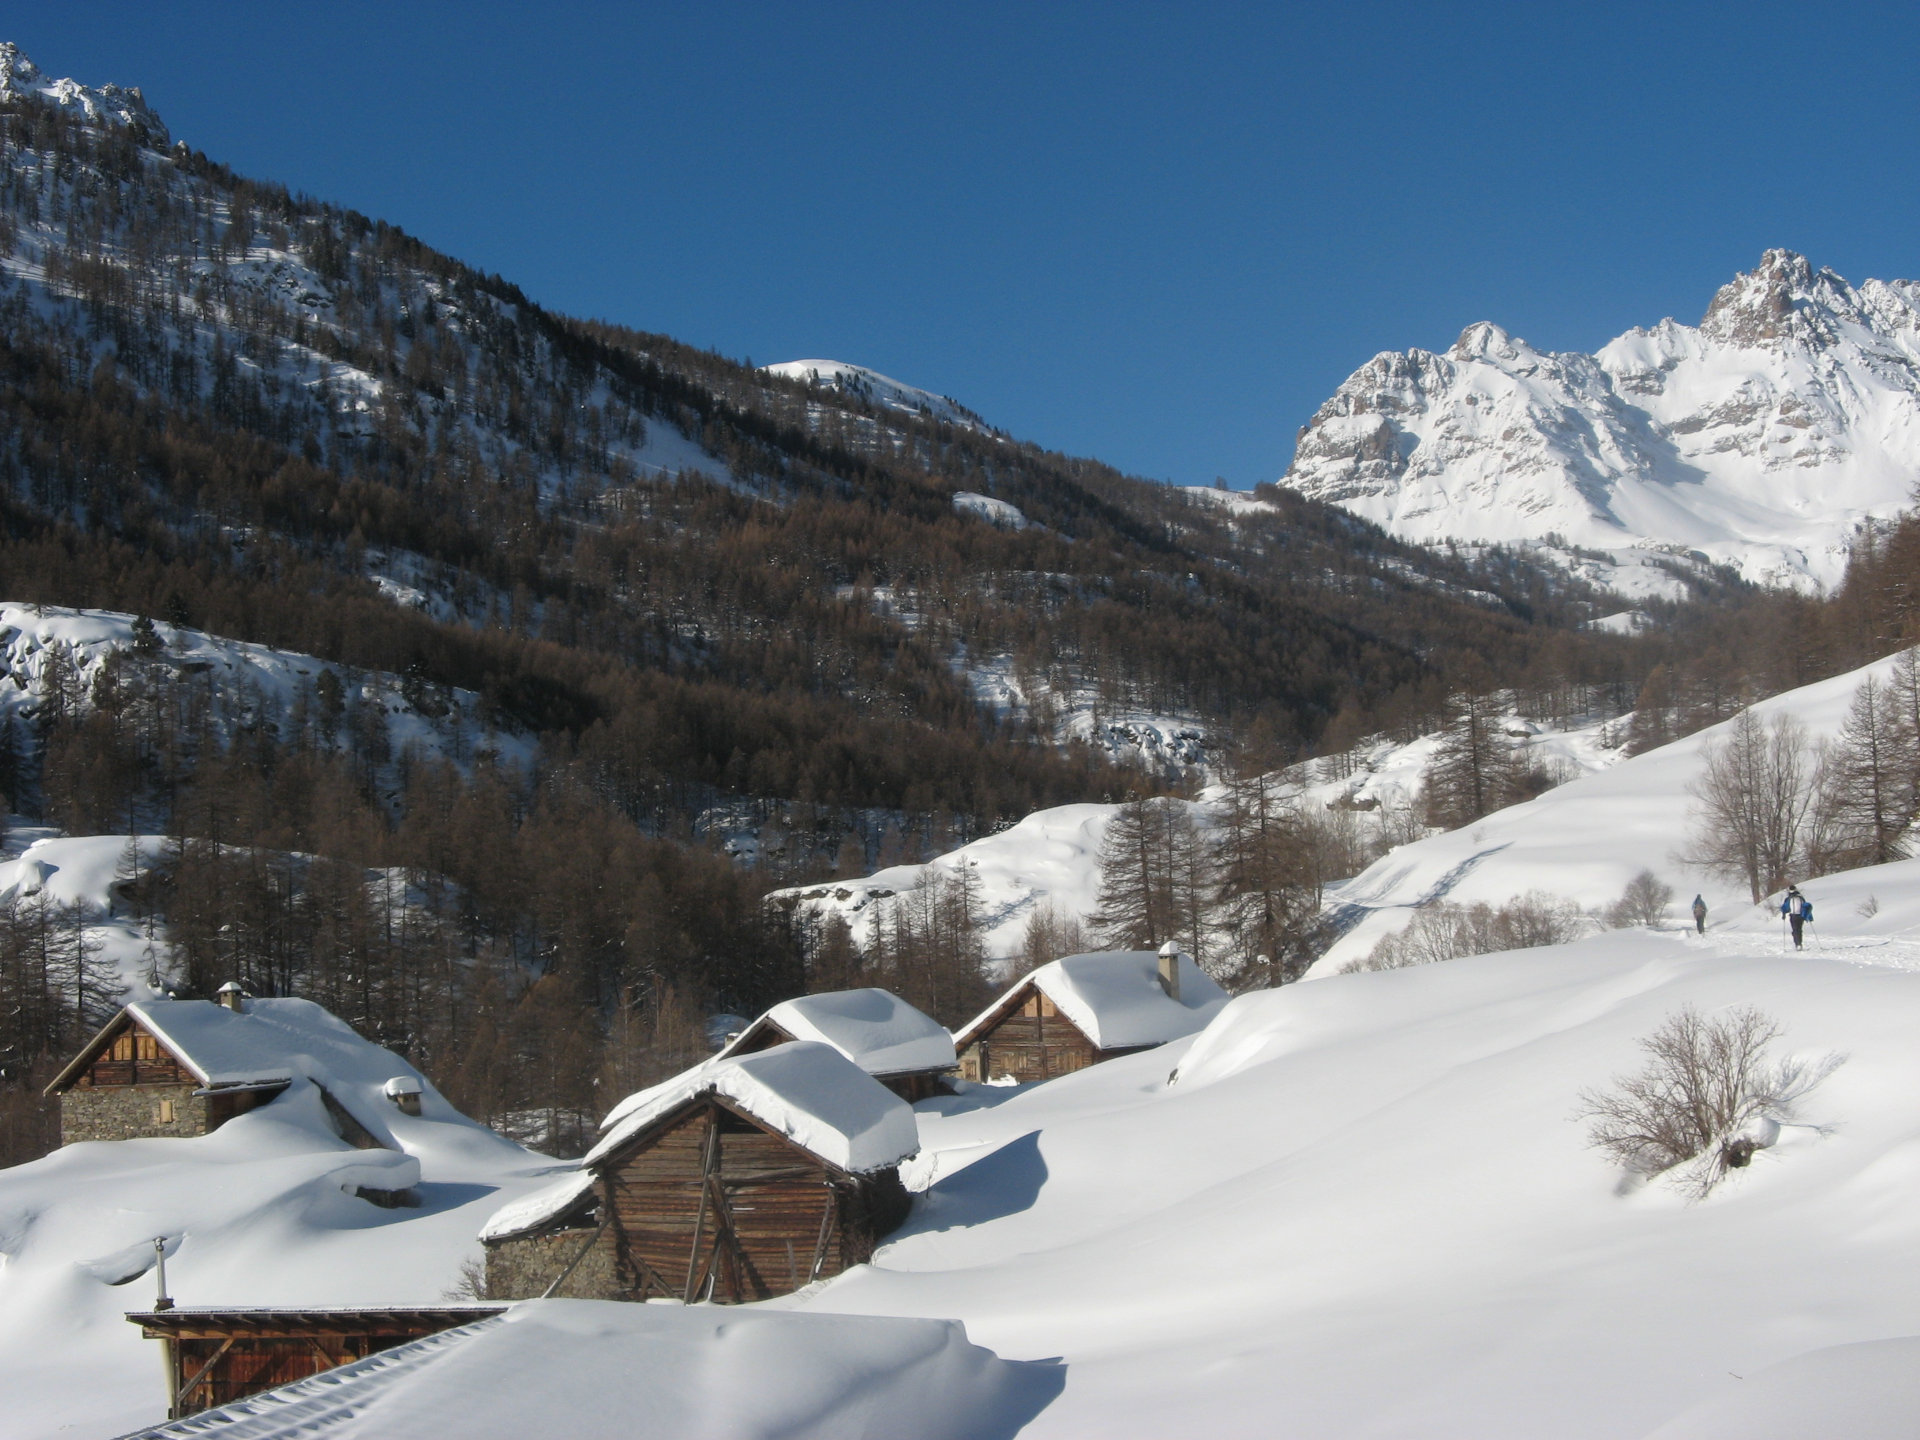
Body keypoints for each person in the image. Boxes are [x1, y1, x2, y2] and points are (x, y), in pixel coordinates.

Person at [1780, 885, 1809, 950]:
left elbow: (1785, 907)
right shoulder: (1801, 898)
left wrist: (1783, 914)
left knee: (1795, 930)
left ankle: (1798, 944)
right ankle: (1799, 943)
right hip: (1801, 916)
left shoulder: (1789, 898)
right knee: (1798, 930)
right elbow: (1805, 906)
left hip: (1793, 915)